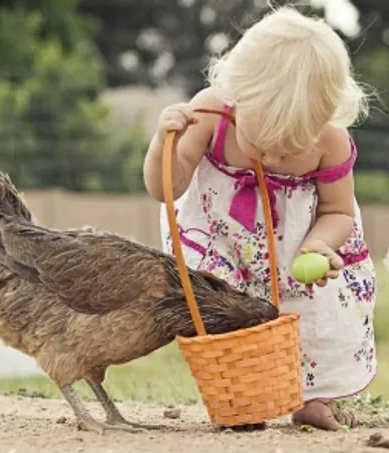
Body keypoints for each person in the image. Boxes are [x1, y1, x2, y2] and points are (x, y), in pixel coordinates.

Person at [143, 5, 377, 431]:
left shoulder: (329, 140)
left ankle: (313, 397)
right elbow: (165, 189)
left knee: (316, 316)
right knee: (227, 312)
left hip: (298, 245)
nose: (270, 159)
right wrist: (162, 143)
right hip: (223, 238)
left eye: (287, 150)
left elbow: (338, 210)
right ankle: (240, 398)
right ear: (239, 96)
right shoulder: (211, 114)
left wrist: (320, 243)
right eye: (262, 144)